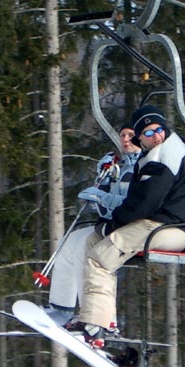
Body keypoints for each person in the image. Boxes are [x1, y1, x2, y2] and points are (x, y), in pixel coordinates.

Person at [65, 104, 185, 348]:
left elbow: (143, 205)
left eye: (160, 129)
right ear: (141, 139)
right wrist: (108, 224)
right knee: (93, 242)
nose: (156, 135)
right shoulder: (158, 154)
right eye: (148, 133)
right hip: (157, 223)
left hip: (170, 228)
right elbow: (137, 203)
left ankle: (97, 325)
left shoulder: (164, 157)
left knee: (101, 257)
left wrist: (113, 224)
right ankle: (97, 316)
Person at [46, 124, 142, 325]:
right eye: (122, 135)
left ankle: (95, 316)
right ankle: (61, 306)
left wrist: (102, 197)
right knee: (69, 241)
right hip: (114, 223)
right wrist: (103, 180)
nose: (125, 139)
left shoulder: (142, 167)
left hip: (132, 228)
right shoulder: (121, 167)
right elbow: (103, 210)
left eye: (131, 136)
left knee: (87, 247)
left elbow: (131, 205)